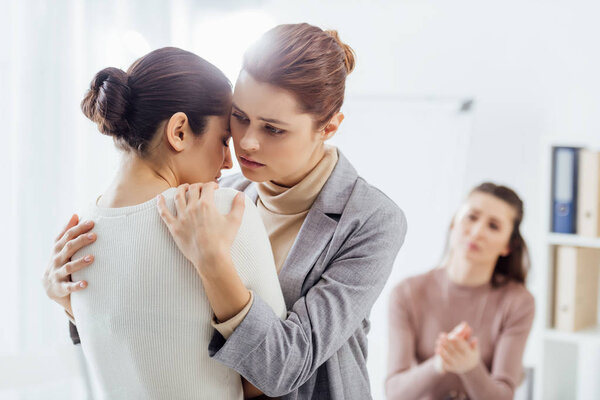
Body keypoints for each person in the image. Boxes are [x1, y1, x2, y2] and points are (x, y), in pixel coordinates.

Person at [44, 23, 407, 399]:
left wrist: (213, 263)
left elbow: (291, 365)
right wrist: (73, 299)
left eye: (274, 129)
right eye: (240, 117)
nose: (246, 143)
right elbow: (164, 330)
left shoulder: (371, 221)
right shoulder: (216, 194)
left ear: (329, 127)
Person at [46, 47, 286, 400]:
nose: (228, 163)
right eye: (223, 140)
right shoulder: (223, 210)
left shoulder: (76, 234)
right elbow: (271, 375)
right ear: (179, 131)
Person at [385, 182, 535, 400]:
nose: (476, 232)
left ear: (507, 246)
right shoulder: (407, 293)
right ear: (455, 223)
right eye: (472, 217)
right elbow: (395, 392)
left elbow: (504, 395)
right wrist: (441, 362)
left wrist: (469, 367)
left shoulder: (519, 301)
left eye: (493, 226)